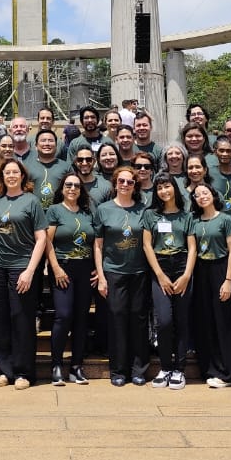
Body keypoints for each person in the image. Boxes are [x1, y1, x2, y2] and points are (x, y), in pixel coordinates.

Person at [0, 157, 48, 389]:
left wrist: (30, 271)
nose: (11, 175)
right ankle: (4, 371)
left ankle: (23, 373)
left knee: (21, 319)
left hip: (22, 266)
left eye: (15, 172)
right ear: (2, 177)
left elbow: (41, 238)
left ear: (22, 176)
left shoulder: (32, 202)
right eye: (7, 172)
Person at [93, 165, 152, 387]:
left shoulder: (143, 210)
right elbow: (98, 246)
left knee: (138, 319)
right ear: (115, 183)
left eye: (130, 182)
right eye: (121, 181)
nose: (125, 185)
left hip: (139, 272)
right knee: (117, 319)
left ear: (135, 185)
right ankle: (118, 370)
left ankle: (138, 369)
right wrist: (101, 276)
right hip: (113, 271)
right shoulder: (104, 209)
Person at [143, 173, 197, 390]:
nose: (164, 191)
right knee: (163, 321)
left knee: (182, 320)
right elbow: (147, 245)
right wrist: (160, 275)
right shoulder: (151, 215)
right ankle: (165, 367)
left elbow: (192, 247)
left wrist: (186, 275)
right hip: (160, 267)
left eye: (167, 187)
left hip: (183, 265)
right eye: (160, 188)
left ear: (174, 188)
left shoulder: (187, 215)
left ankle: (179, 370)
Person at [45, 170, 94, 385]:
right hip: (63, 269)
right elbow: (47, 242)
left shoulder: (87, 213)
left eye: (76, 185)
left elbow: (96, 243)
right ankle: (56, 364)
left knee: (81, 319)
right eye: (68, 185)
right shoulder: (54, 210)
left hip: (85, 269)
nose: (72, 189)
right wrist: (55, 268)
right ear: (62, 189)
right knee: (63, 315)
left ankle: (76, 366)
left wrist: (96, 268)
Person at [190, 182, 231, 388]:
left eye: (205, 192)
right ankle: (210, 368)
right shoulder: (194, 221)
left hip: (221, 269)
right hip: (201, 271)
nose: (202, 196)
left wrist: (227, 281)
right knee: (205, 321)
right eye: (197, 194)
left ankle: (229, 372)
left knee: (224, 321)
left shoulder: (225, 219)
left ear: (213, 194)